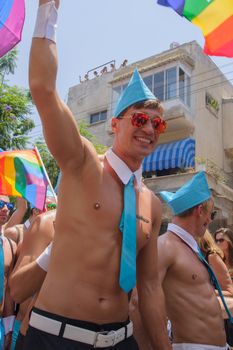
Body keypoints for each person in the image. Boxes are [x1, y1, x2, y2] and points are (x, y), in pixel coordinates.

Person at [23, 1, 171, 349]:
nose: (149, 129)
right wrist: (48, 12)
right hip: (57, 335)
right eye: (139, 119)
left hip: (121, 339)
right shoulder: (83, 164)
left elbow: (149, 288)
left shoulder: (151, 204)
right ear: (114, 126)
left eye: (157, 123)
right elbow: (43, 89)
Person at [158, 171, 232, 350]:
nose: (209, 220)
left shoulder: (189, 248)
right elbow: (140, 302)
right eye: (211, 214)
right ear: (200, 211)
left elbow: (200, 301)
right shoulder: (166, 246)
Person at [0, 196, 25, 349]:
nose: (5, 209)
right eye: (0, 204)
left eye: (8, 205)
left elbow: (9, 291)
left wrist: (9, 329)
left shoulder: (10, 246)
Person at [214, 228, 233, 348]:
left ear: (230, 241)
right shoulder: (216, 260)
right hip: (219, 312)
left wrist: (213, 292)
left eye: (221, 240)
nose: (217, 243)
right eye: (216, 240)